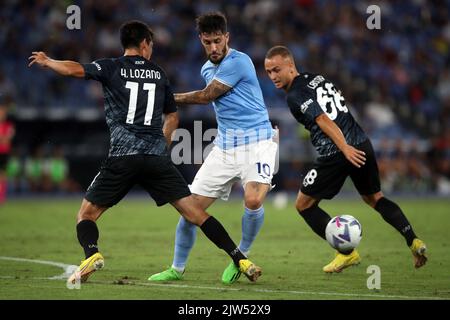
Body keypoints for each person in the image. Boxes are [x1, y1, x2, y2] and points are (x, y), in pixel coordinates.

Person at [28, 20, 262, 285]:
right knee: (196, 213)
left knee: (86, 214)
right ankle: (239, 258)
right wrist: (160, 147)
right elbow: (172, 118)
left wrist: (49, 61)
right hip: (155, 158)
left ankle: (91, 254)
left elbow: (74, 70)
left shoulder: (110, 66)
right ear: (144, 44)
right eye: (151, 45)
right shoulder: (159, 74)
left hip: (122, 157)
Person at [264, 45, 427, 272]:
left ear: (290, 66)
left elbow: (322, 118)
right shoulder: (317, 78)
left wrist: (344, 148)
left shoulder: (295, 95)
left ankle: (346, 253)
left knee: (304, 205)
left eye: (276, 70)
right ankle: (414, 240)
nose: (272, 76)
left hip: (338, 152)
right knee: (375, 198)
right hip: (362, 143)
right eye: (269, 72)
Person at [149, 12, 278, 284]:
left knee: (253, 200)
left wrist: (166, 98)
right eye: (207, 42)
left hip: (258, 142)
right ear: (201, 41)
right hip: (225, 147)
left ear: (227, 37)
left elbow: (207, 96)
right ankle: (177, 268)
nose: (214, 48)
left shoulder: (239, 62)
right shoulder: (206, 69)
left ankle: (242, 255)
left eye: (218, 41)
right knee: (190, 210)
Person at [0, 99, 15, 203]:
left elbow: (7, 140)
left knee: (3, 175)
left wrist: (3, 138)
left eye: (3, 113)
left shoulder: (8, 125)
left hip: (4, 153)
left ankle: (1, 196)